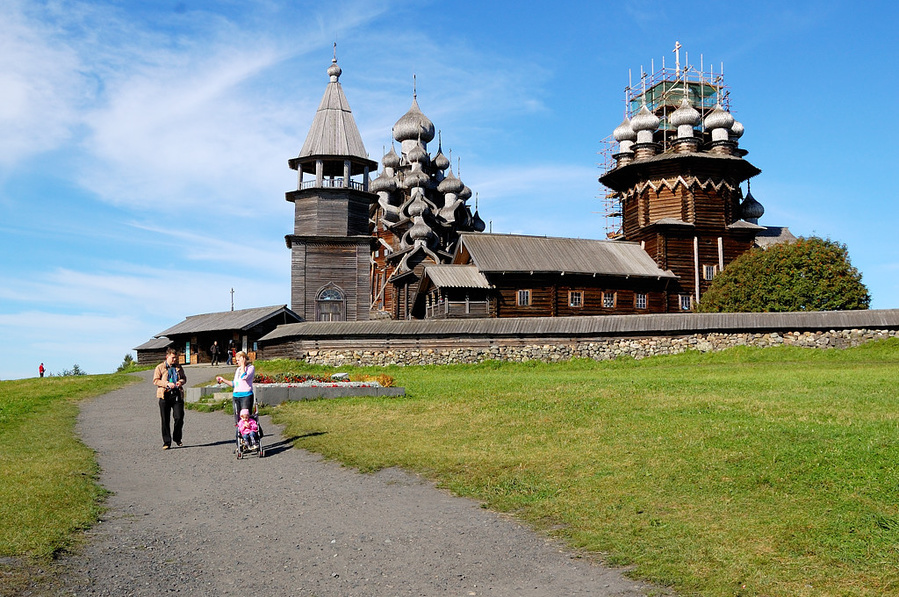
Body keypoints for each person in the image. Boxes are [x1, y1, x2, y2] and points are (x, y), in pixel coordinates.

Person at [153, 348, 186, 450]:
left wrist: (180, 382)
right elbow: (155, 381)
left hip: (177, 394)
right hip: (165, 395)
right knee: (165, 419)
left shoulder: (179, 367)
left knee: (179, 417)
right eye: (173, 358)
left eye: (176, 358)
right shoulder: (160, 367)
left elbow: (184, 378)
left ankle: (177, 437)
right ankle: (167, 442)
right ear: (167, 357)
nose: (174, 360)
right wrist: (167, 384)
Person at [216, 351, 255, 426]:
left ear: (244, 359)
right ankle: (240, 433)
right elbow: (234, 384)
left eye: (238, 360)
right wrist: (223, 380)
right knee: (238, 417)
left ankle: (249, 433)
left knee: (245, 416)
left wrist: (243, 365)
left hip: (246, 396)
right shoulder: (238, 370)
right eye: (236, 360)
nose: (237, 362)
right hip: (236, 396)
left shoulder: (250, 368)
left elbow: (244, 377)